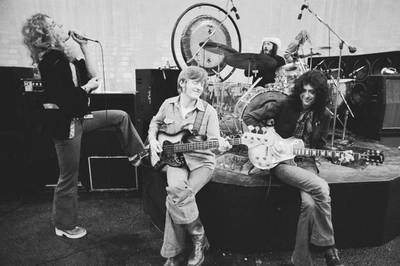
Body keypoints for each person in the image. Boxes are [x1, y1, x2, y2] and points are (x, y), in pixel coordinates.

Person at [21, 13, 146, 239]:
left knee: (119, 116)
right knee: (69, 176)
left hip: (78, 118)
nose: (61, 25)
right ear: (45, 33)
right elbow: (69, 100)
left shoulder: (62, 58)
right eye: (54, 24)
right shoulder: (51, 61)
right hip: (66, 124)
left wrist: (85, 47)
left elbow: (93, 76)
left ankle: (138, 155)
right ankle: (65, 225)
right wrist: (87, 88)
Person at [243, 70, 346, 266]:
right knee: (322, 188)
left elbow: (320, 147)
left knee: (309, 204)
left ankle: (300, 260)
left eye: (312, 92)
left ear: (319, 94)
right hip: (280, 161)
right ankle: (329, 248)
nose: (307, 95)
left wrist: (335, 155)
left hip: (306, 162)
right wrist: (268, 139)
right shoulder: (285, 105)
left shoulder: (323, 115)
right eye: (304, 90)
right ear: (299, 90)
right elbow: (250, 117)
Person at [147, 66, 231, 266]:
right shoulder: (168, 105)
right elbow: (155, 123)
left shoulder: (207, 111)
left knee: (178, 197)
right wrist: (152, 140)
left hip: (202, 161)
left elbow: (214, 143)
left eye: (202, 83)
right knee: (176, 190)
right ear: (182, 83)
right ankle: (198, 239)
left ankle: (175, 253)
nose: (199, 86)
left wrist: (222, 146)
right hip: (175, 160)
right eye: (195, 82)